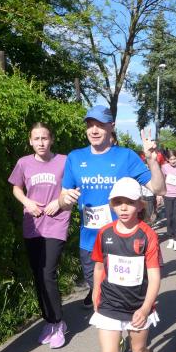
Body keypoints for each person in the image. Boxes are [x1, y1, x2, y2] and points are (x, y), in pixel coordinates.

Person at [81, 178, 161, 352]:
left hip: (138, 305)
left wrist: (145, 307)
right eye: (118, 202)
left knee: (139, 350)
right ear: (111, 205)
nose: (123, 208)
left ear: (140, 205)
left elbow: (154, 276)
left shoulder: (147, 235)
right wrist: (95, 292)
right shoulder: (105, 233)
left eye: (129, 202)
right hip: (110, 305)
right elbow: (99, 267)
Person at [59, 106, 165, 311]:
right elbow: (63, 200)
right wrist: (66, 199)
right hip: (90, 241)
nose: (94, 130)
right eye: (90, 125)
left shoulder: (126, 157)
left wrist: (153, 161)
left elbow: (159, 189)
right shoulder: (75, 158)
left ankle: (126, 324)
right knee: (99, 291)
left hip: (124, 240)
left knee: (120, 296)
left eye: (100, 125)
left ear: (111, 127)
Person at [8, 123, 70, 349]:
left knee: (47, 273)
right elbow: (16, 188)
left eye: (44, 138)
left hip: (56, 223)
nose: (41, 142)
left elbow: (73, 187)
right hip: (33, 225)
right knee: (38, 275)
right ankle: (49, 321)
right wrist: (27, 202)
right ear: (30, 141)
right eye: (37, 139)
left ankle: (58, 323)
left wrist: (59, 202)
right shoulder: (24, 163)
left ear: (51, 139)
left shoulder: (64, 161)